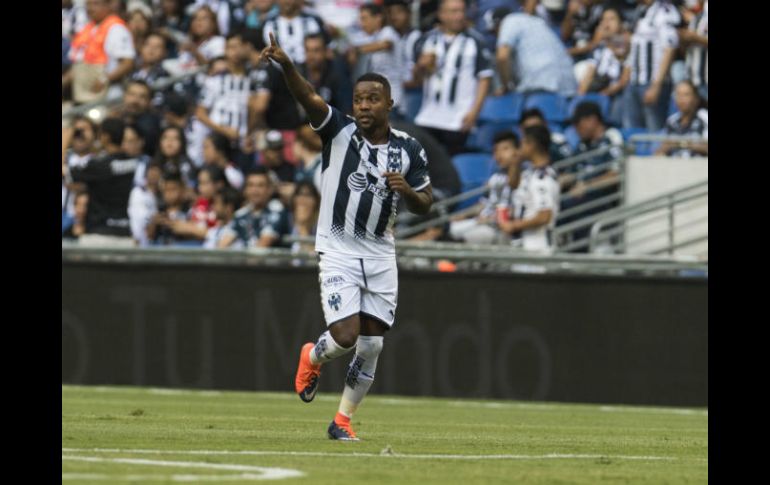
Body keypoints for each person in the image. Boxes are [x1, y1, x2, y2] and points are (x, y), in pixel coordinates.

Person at [260, 33, 432, 440]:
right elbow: (309, 98)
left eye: (373, 99)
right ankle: (312, 355)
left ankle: (341, 422)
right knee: (345, 336)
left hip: (379, 253)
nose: (365, 106)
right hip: (338, 248)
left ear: (389, 103)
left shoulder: (409, 149)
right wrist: (287, 66)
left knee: (372, 347)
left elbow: (426, 202)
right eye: (359, 100)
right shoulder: (338, 130)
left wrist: (406, 191)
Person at [412, 0, 493, 156]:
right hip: (428, 116)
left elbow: (484, 78)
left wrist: (474, 112)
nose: (460, 16)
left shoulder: (476, 41)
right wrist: (420, 66)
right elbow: (416, 79)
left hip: (458, 118)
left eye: (462, 11)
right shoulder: (426, 40)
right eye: (454, 11)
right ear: (441, 14)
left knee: (452, 168)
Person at [497, 125, 560, 253]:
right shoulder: (530, 172)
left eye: (523, 143)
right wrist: (515, 162)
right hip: (526, 243)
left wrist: (513, 225)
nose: (520, 148)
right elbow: (513, 185)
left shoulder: (543, 177)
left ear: (532, 145)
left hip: (538, 246)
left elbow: (544, 216)